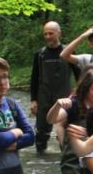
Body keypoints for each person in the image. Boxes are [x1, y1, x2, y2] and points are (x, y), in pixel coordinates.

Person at [46, 68, 93, 174]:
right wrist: (57, 105)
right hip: (73, 164)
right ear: (85, 88)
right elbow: (51, 120)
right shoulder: (74, 105)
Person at [30, 21, 80, 154]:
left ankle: (67, 155)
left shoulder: (68, 52)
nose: (47, 36)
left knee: (66, 130)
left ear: (59, 33)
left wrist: (78, 93)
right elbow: (34, 78)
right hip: (44, 96)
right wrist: (33, 100)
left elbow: (79, 75)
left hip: (64, 96)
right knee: (41, 132)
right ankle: (41, 158)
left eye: (50, 33)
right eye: (45, 34)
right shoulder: (40, 54)